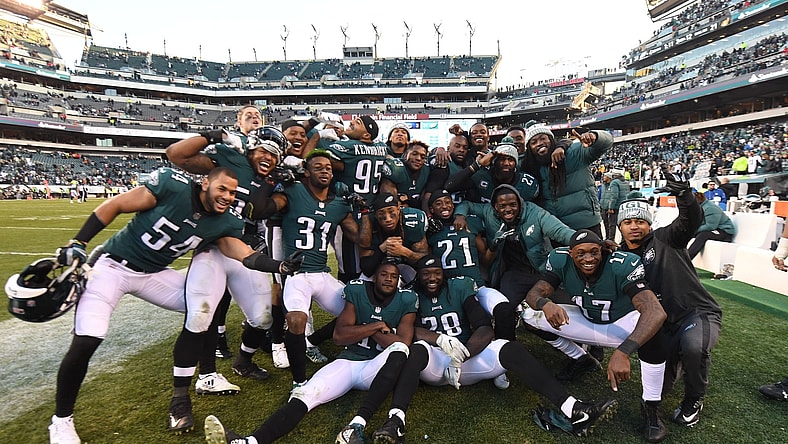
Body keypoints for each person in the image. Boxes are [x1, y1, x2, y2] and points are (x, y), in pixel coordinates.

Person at [47, 167, 296, 444]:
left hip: (153, 275)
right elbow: (116, 205)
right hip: (112, 267)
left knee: (205, 306)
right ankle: (61, 420)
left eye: (232, 192)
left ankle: (204, 378)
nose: (227, 196)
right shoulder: (174, 186)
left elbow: (243, 253)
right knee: (87, 339)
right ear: (205, 183)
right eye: (222, 189)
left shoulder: (225, 221)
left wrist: (279, 265)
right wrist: (78, 241)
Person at [373, 255, 616, 442]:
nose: (432, 278)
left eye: (436, 273)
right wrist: (439, 340)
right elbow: (409, 331)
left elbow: (484, 328)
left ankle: (573, 408)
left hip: (467, 357)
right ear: (418, 276)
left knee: (510, 348)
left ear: (443, 274)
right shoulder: (410, 296)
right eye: (426, 274)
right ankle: (396, 421)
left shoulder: (459, 288)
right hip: (435, 363)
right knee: (417, 349)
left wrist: (462, 355)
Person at [202, 261, 418, 444]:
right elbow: (339, 336)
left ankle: (358, 423)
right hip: (348, 362)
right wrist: (376, 326)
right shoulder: (358, 291)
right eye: (384, 274)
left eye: (394, 276)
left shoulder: (406, 299)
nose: (389, 279)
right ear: (375, 277)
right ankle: (251, 441)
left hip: (376, 366)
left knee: (399, 349)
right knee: (305, 394)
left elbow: (402, 343)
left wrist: (361, 327)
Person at [522, 229, 668, 442]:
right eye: (581, 254)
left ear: (603, 250)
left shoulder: (621, 264)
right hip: (587, 321)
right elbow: (533, 294)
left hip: (621, 323)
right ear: (571, 253)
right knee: (529, 317)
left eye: (594, 252)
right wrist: (545, 303)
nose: (588, 258)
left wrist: (624, 351)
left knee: (653, 329)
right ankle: (582, 359)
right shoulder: (560, 260)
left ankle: (651, 406)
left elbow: (655, 311)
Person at [618, 168, 723, 428]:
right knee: (657, 388)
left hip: (695, 312)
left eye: (640, 221)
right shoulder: (619, 257)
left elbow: (691, 221)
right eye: (628, 222)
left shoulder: (665, 238)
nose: (634, 226)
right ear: (620, 226)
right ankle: (675, 361)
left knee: (693, 347)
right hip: (661, 324)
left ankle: (694, 399)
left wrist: (684, 195)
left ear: (649, 224)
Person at [255, 149, 361, 388]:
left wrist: (363, 211)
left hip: (322, 274)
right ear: (306, 172)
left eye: (329, 168)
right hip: (298, 275)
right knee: (295, 318)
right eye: (318, 167)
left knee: (359, 309)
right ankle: (299, 381)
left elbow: (361, 239)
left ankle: (313, 341)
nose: (325, 171)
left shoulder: (338, 204)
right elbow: (261, 210)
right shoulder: (293, 192)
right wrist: (271, 181)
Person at [453, 184, 575, 342]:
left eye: (512, 204)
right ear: (495, 207)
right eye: (502, 206)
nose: (508, 209)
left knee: (568, 307)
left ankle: (579, 344)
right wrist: (460, 215)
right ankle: (506, 347)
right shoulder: (488, 212)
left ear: (520, 203)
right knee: (504, 308)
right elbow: (466, 204)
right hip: (515, 273)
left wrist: (584, 240)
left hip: (543, 270)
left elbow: (561, 231)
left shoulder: (534, 213)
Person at [521, 123, 614, 238]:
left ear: (551, 139)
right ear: (529, 148)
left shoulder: (573, 152)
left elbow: (607, 142)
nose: (539, 143)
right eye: (533, 142)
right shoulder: (530, 167)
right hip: (556, 230)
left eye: (543, 138)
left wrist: (595, 136)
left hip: (586, 224)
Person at [358, 191, 429, 279]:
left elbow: (425, 260)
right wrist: (382, 249)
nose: (388, 219)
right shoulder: (368, 224)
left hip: (406, 268)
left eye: (391, 211)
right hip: (379, 270)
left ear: (398, 210)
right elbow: (366, 269)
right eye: (381, 213)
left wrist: (405, 252)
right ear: (375, 215)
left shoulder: (414, 221)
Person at [444, 141, 539, 204]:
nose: (506, 163)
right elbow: (449, 186)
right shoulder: (481, 175)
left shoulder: (528, 183)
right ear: (494, 161)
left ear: (516, 163)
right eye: (501, 159)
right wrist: (476, 165)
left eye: (510, 160)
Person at [379, 140, 431, 209]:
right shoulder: (396, 167)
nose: (419, 158)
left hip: (416, 208)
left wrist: (440, 149)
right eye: (414, 154)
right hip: (395, 209)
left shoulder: (427, 169)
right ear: (405, 154)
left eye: (423, 157)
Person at [687, 191, 736, 259]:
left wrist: (694, 230)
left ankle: (687, 258)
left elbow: (710, 226)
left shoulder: (710, 208)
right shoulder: (699, 207)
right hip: (714, 229)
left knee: (702, 235)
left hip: (724, 232)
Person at [600, 172, 630, 241]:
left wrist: (611, 207)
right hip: (622, 206)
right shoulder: (625, 182)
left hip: (614, 207)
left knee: (612, 225)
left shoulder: (614, 183)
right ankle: (624, 240)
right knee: (620, 224)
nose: (603, 177)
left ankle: (611, 240)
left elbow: (614, 196)